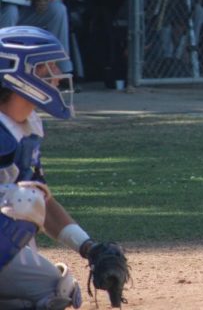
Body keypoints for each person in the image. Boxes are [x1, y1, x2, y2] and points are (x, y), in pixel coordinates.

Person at [0, 26, 129, 308]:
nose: (57, 75)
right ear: (17, 74)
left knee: (59, 291)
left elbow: (43, 203)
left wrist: (89, 248)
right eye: (47, 67)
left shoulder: (29, 123)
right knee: (22, 199)